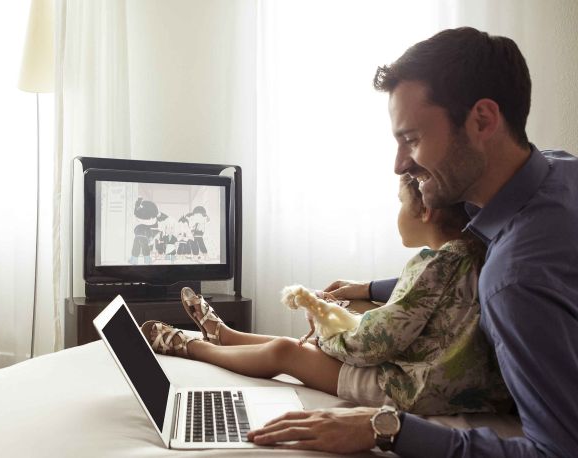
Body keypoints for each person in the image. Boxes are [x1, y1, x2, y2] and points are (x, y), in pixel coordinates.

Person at [247, 27, 578, 457]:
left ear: (482, 120)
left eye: (412, 140)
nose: (399, 164)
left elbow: (557, 452)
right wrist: (369, 288)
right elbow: (450, 274)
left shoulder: (514, 280)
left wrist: (388, 428)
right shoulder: (558, 171)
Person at [140, 173, 509, 417]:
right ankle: (225, 335)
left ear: (425, 211)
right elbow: (420, 303)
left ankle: (192, 346)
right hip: (449, 380)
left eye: (400, 202)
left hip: (414, 389)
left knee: (287, 352)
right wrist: (357, 300)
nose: (398, 211)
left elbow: (371, 344)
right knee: (319, 335)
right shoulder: (473, 254)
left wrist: (323, 329)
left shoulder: (432, 265)